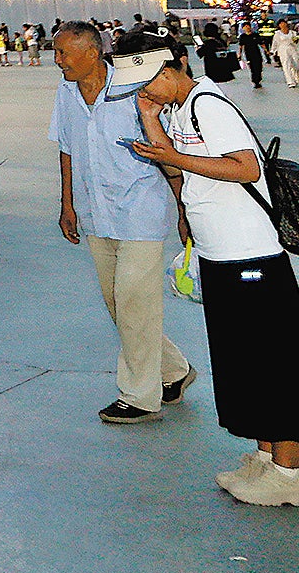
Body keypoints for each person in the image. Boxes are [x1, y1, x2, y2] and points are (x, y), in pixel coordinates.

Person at [119, 34, 298, 505]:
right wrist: (150, 119)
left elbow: (245, 168)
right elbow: (178, 172)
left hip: (251, 255)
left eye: (149, 82)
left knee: (274, 366)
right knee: (246, 365)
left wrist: (174, 155)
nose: (146, 91)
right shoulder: (178, 110)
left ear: (174, 67)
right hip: (221, 254)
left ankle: (291, 471)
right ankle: (267, 458)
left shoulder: (208, 104)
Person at [49, 21, 193, 424]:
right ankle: (174, 371)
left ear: (92, 53)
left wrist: (184, 211)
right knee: (120, 304)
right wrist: (67, 204)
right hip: (96, 211)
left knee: (133, 303)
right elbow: (66, 148)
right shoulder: (65, 92)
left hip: (140, 212)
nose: (57, 60)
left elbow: (166, 153)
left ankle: (140, 396)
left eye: (63, 53)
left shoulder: (134, 88)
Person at [272, 20, 299, 89]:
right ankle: (290, 82)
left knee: (296, 65)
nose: (282, 25)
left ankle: (296, 78)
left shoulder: (292, 33)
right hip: (283, 50)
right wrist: (273, 51)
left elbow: (296, 42)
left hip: (292, 49)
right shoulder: (277, 34)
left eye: (283, 23)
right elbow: (275, 43)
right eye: (280, 24)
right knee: (286, 66)